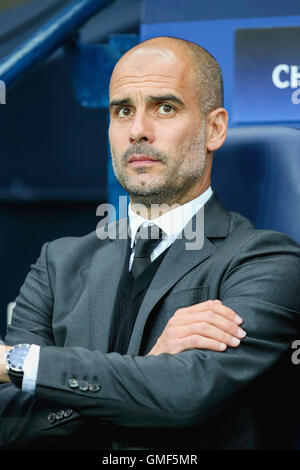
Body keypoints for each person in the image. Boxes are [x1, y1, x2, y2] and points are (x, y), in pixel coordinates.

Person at [0, 36, 300, 450]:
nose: (138, 130)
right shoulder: (58, 262)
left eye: (165, 107)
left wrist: (21, 365)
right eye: (123, 110)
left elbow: (183, 397)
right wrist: (147, 372)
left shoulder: (266, 261)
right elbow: (7, 423)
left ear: (214, 129)